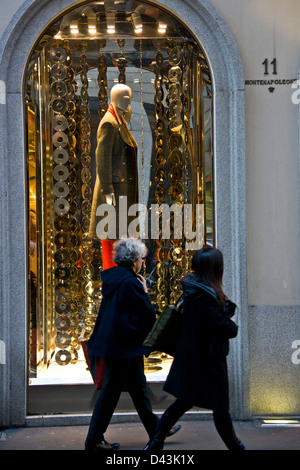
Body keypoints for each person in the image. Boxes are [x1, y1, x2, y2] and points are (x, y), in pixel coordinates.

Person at [144, 246, 245, 451]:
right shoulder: (205, 296)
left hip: (194, 358)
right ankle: (236, 447)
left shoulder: (195, 290)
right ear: (215, 268)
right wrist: (231, 321)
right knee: (218, 407)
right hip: (206, 361)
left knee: (186, 403)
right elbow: (225, 328)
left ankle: (155, 444)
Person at [85, 237, 180, 450]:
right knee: (110, 394)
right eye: (142, 259)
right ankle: (93, 440)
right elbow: (146, 316)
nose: (143, 263)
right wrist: (145, 292)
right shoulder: (131, 282)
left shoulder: (116, 278)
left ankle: (157, 431)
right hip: (123, 348)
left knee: (139, 390)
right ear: (134, 260)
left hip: (120, 346)